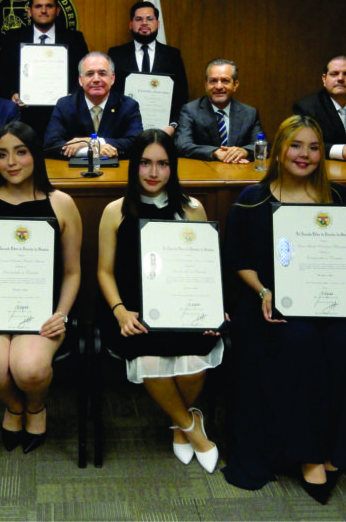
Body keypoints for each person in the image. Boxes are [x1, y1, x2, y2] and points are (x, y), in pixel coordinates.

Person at [222, 115, 346, 504]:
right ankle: (308, 452)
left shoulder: (341, 199)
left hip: (335, 305)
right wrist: (262, 291)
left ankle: (335, 448)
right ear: (278, 150)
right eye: (296, 146)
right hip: (274, 307)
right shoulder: (253, 199)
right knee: (301, 342)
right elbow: (239, 258)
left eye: (313, 147)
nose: (304, 155)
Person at [96, 129, 222, 473]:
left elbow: (205, 266)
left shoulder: (192, 208)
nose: (154, 173)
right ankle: (192, 426)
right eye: (145, 163)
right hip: (133, 310)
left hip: (185, 306)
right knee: (150, 361)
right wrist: (120, 311)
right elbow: (104, 272)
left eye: (163, 164)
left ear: (174, 167)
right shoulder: (115, 211)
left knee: (196, 359)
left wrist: (212, 307)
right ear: (133, 166)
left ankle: (180, 425)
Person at [0, 121, 82, 454]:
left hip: (41, 314)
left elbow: (72, 271)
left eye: (21, 152)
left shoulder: (62, 203)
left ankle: (36, 406)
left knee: (30, 370)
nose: (11, 162)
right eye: (2, 155)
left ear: (36, 155)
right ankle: (14, 405)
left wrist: (62, 314)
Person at [0, 0, 90, 135]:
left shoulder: (74, 39)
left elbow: (85, 73)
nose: (43, 11)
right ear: (29, 11)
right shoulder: (13, 38)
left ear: (57, 11)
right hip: (24, 115)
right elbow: (1, 74)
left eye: (48, 6)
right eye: (38, 6)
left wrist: (72, 95)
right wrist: (12, 94)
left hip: (62, 114)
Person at [107, 1, 188, 136]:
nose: (144, 23)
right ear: (131, 24)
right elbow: (110, 93)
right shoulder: (116, 54)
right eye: (138, 19)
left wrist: (173, 126)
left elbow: (181, 96)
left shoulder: (173, 55)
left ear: (158, 24)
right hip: (124, 129)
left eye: (149, 19)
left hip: (164, 131)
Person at [43, 52, 143, 159]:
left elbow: (137, 143)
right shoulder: (65, 105)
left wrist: (91, 141)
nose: (96, 79)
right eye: (90, 74)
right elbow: (51, 145)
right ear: (81, 80)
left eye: (102, 73)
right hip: (74, 172)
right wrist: (94, 149)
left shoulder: (128, 106)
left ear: (112, 78)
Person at [176, 59, 264, 163]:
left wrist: (245, 151)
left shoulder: (249, 113)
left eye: (225, 81)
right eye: (213, 81)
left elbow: (262, 145)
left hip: (239, 173)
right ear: (206, 85)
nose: (218, 86)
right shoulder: (190, 110)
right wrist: (214, 152)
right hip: (204, 173)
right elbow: (182, 145)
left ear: (235, 85)